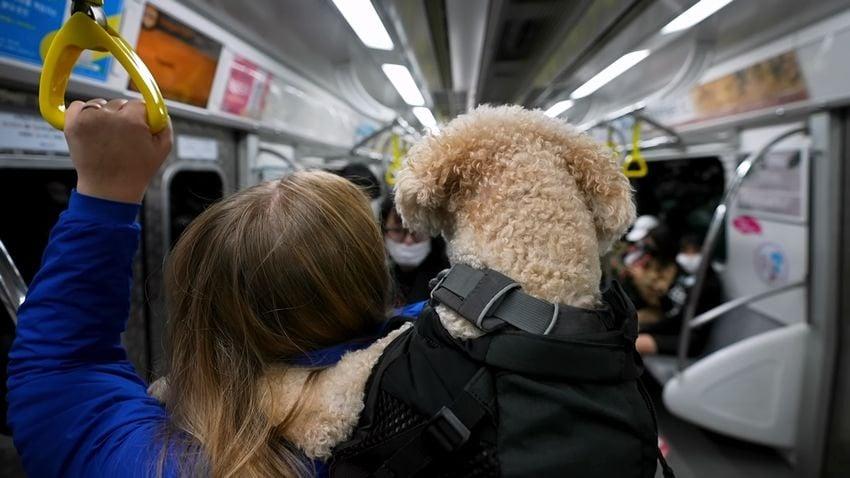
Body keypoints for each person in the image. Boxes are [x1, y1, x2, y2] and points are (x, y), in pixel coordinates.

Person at [6, 98, 396, 477]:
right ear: (375, 283)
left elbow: (64, 374)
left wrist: (106, 192)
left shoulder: (160, 464)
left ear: (210, 312)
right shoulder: (436, 400)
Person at [634, 232, 723, 356]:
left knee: (635, 344)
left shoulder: (709, 285)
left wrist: (648, 328)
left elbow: (682, 321)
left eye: (694, 252)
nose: (688, 256)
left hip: (686, 339)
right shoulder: (683, 274)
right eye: (685, 251)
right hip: (671, 326)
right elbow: (668, 307)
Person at [380, 195, 449, 305]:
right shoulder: (377, 279)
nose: (408, 241)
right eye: (398, 231)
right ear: (383, 232)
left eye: (417, 231)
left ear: (433, 233)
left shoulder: (446, 280)